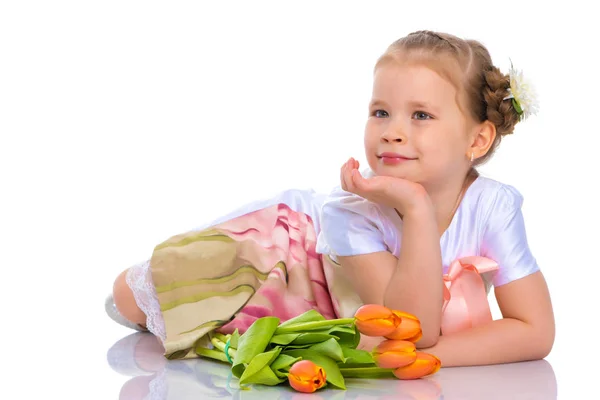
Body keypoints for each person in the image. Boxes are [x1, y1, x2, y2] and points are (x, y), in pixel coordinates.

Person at [106, 30, 555, 367]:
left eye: (421, 115)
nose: (392, 130)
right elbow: (411, 326)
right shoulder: (353, 210)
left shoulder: (493, 206)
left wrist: (434, 359)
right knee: (131, 295)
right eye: (380, 112)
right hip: (296, 258)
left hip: (340, 311)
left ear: (477, 140)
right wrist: (415, 208)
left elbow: (535, 332)